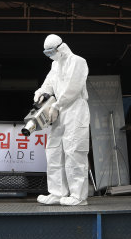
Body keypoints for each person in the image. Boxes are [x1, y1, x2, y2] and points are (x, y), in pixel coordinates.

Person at [33, 34, 90, 206]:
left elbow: (73, 88)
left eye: (51, 52)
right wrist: (40, 94)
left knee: (74, 152)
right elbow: (47, 85)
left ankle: (78, 196)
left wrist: (57, 105)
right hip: (57, 111)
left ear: (61, 48)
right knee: (54, 151)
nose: (50, 55)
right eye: (47, 53)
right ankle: (57, 192)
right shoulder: (55, 65)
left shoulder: (78, 62)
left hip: (75, 110)